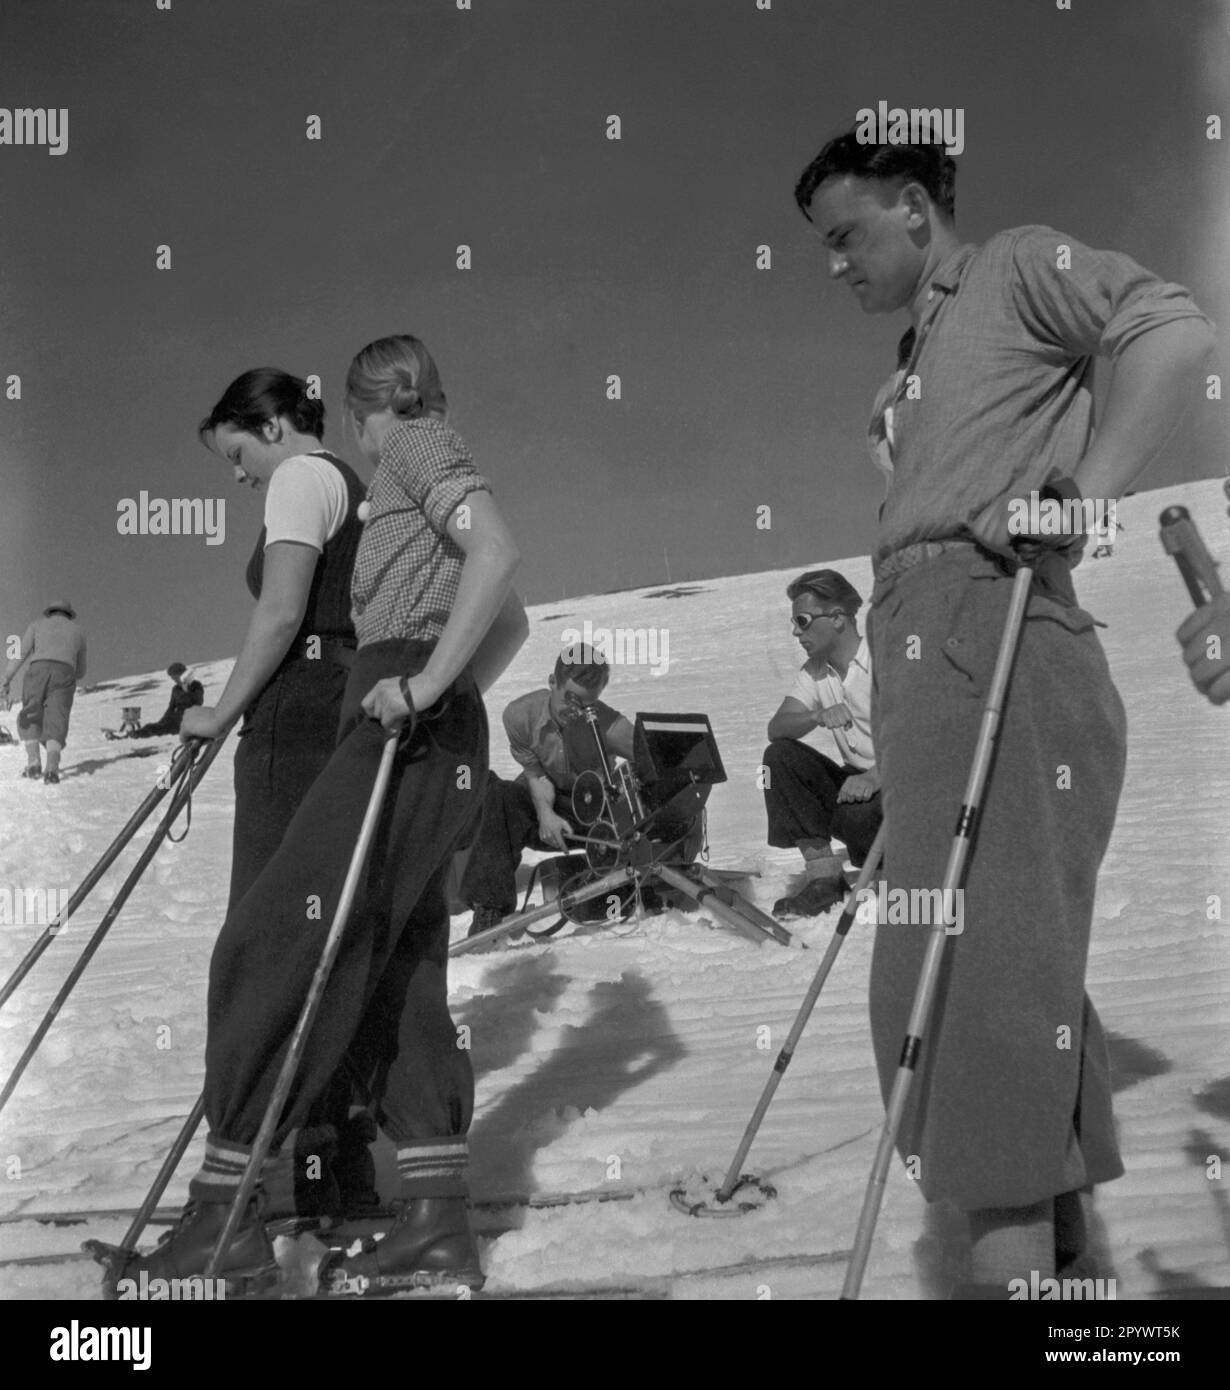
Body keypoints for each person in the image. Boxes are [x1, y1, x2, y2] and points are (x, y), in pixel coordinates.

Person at [794, 129, 1214, 1295]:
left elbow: (1172, 327)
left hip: (1002, 624)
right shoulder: (914, 350)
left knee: (966, 976)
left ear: (918, 206)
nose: (833, 263)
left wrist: (1084, 497)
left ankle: (1014, 1284)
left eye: (846, 235)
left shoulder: (1019, 263)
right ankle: (1071, 1291)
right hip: (932, 638)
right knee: (988, 967)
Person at [124, 334, 523, 1294]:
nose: (241, 476)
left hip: (398, 721)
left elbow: (499, 555)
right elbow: (505, 621)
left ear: (355, 412)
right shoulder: (390, 486)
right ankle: (432, 1216)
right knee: (393, 962)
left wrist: (423, 687)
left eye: (236, 457)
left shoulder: (413, 450)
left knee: (271, 941)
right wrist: (449, 692)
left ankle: (229, 1217)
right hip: (410, 721)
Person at [460, 646, 635, 935]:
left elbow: (652, 758)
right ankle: (489, 911)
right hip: (549, 807)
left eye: (587, 704)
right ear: (552, 681)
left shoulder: (610, 725)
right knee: (498, 797)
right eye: (571, 698)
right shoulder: (518, 716)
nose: (577, 710)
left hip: (597, 815)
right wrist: (544, 815)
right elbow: (536, 776)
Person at [763, 568, 881, 918]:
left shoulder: (883, 660)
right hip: (856, 791)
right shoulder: (814, 671)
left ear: (838, 618)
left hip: (901, 787)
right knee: (780, 756)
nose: (796, 632)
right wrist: (815, 716)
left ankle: (895, 869)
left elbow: (923, 736)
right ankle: (824, 881)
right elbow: (777, 727)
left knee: (860, 814)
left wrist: (876, 777)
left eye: (803, 620)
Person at [1, 600, 87, 784]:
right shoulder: (78, 632)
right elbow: (81, 671)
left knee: (30, 715)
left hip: (37, 670)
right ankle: (52, 768)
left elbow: (19, 653)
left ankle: (33, 763)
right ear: (68, 614)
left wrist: (6, 678)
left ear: (50, 613)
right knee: (57, 719)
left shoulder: (36, 625)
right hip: (65, 673)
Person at [130, 663, 205, 738]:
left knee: (157, 729)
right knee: (151, 726)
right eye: (173, 678)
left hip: (187, 721)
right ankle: (134, 734)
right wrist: (162, 722)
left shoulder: (196, 685)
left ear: (184, 675)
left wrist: (186, 690)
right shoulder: (176, 689)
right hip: (174, 719)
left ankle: (137, 735)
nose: (175, 680)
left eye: (176, 678)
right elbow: (171, 708)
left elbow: (198, 702)